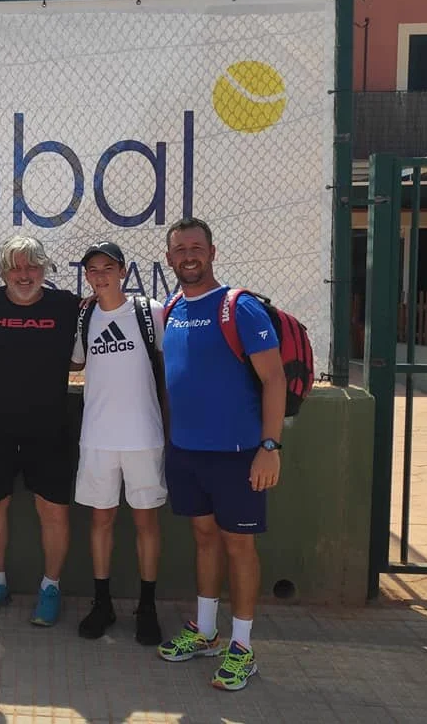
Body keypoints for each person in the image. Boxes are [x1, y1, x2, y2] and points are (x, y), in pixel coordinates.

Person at [157, 217, 286, 692]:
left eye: (196, 247)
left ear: (211, 251)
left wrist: (269, 448)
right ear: (169, 258)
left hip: (238, 454)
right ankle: (207, 631)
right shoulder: (171, 308)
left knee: (239, 546)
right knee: (204, 537)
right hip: (187, 452)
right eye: (179, 249)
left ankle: (243, 647)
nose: (188, 255)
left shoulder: (240, 307)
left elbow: (274, 379)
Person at [0, 235, 81, 627]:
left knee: (53, 510)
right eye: (15, 266)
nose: (23, 274)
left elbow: (84, 355)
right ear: (2, 271)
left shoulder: (68, 306)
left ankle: (51, 586)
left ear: (45, 269)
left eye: (32, 266)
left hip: (50, 430)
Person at [71, 241, 167, 645]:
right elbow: (75, 362)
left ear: (123, 270)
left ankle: (147, 606)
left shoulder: (151, 312)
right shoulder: (84, 316)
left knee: (146, 521)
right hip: (97, 437)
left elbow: (168, 364)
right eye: (92, 269)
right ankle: (102, 603)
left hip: (144, 436)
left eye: (107, 267)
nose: (99, 275)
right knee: (101, 520)